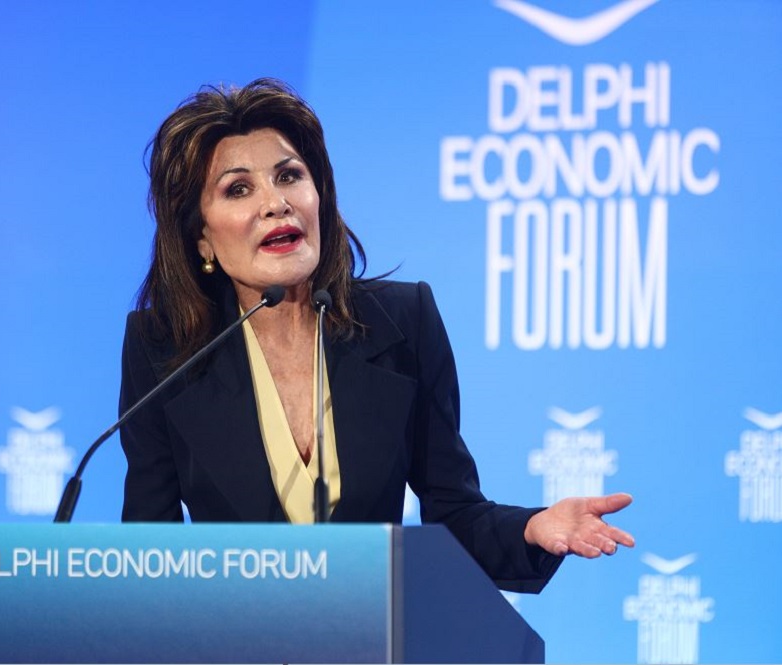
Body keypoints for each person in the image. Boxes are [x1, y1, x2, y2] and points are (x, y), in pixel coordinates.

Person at [119, 78, 634, 593]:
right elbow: (149, 554)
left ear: (319, 196)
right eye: (238, 189)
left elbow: (453, 513)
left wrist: (531, 529)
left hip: (373, 626)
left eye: (289, 176)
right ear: (202, 238)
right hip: (233, 630)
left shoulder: (403, 322)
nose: (276, 204)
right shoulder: (163, 349)